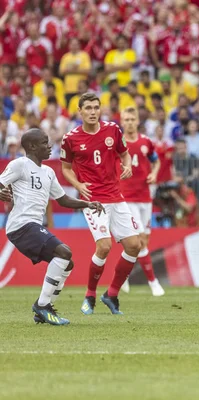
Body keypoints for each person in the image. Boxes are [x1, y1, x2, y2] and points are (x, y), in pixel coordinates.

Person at [0, 129, 104, 325]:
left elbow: (62, 199)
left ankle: (44, 307)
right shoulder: (20, 164)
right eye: (44, 143)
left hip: (32, 225)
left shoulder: (48, 172)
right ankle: (42, 306)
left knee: (67, 262)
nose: (49, 147)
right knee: (63, 252)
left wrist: (87, 204)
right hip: (20, 225)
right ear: (31, 146)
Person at [60, 93, 142, 315]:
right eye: (88, 108)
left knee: (135, 245)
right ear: (80, 111)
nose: (93, 112)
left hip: (116, 196)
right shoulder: (70, 138)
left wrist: (128, 166)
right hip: (94, 201)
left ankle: (112, 294)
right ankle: (90, 295)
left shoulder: (113, 130)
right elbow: (65, 168)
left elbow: (124, 155)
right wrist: (78, 185)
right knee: (104, 246)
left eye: (96, 107)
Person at [117, 107, 165, 297]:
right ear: (121, 121)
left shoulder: (146, 142)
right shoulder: (117, 144)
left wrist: (154, 173)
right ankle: (154, 283)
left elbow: (157, 161)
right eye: (126, 119)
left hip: (145, 197)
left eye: (132, 119)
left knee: (142, 240)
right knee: (140, 242)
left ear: (137, 121)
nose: (129, 122)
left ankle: (123, 276)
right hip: (127, 198)